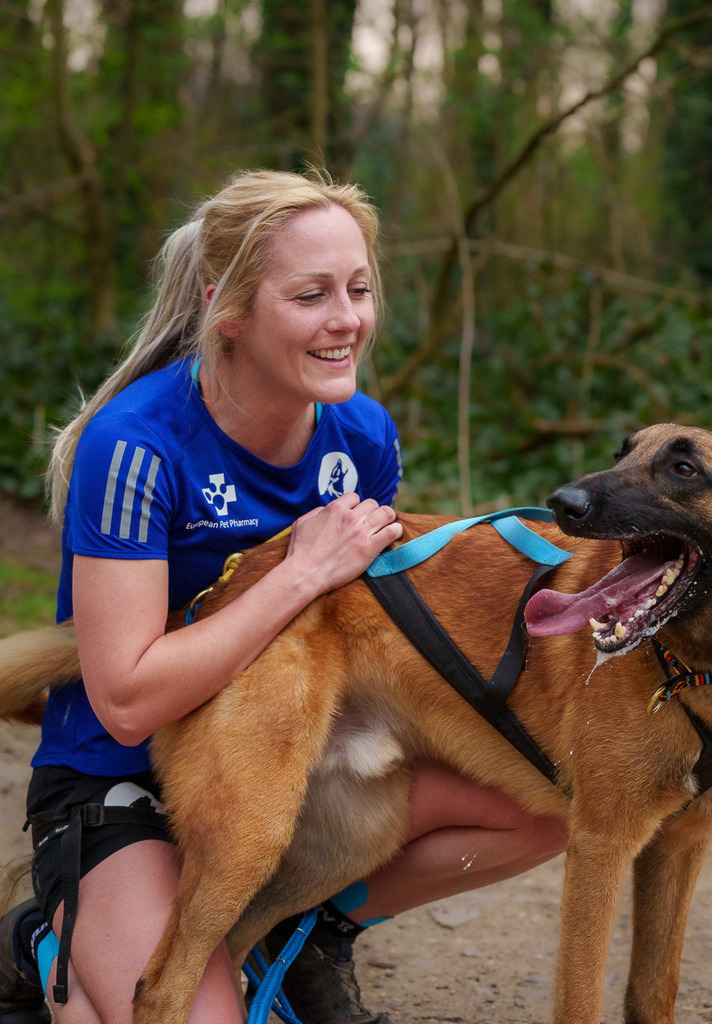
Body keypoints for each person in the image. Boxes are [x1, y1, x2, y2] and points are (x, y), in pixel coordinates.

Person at [0, 169, 567, 1024]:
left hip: (289, 758)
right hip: (125, 774)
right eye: (311, 295)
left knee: (549, 805)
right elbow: (123, 702)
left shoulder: (365, 436)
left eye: (360, 289)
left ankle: (304, 925)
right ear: (226, 305)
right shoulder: (134, 445)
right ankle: (52, 938)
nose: (347, 320)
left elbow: (385, 635)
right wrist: (301, 572)